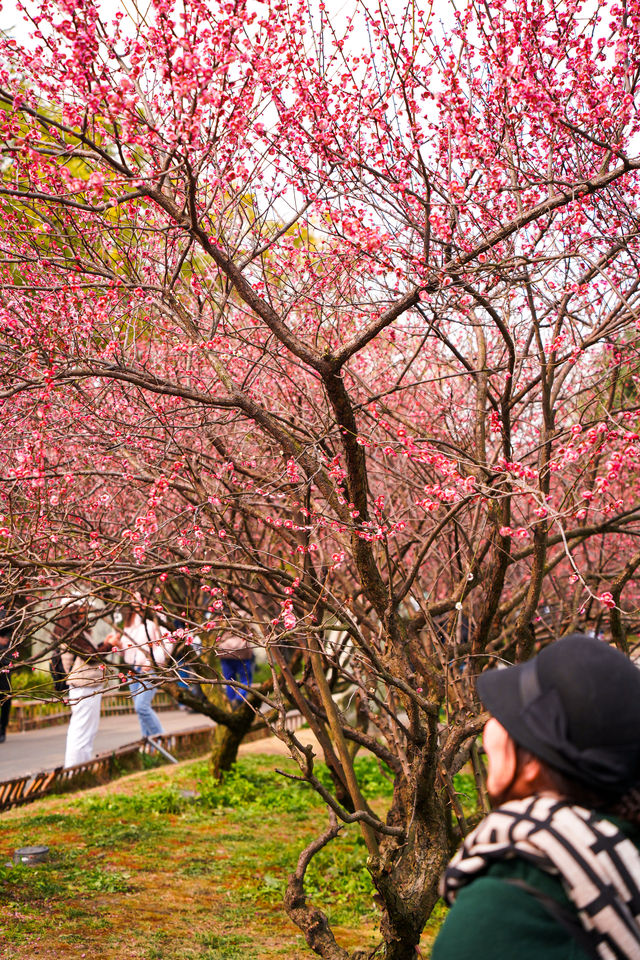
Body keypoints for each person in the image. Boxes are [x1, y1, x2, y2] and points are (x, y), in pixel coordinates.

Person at [433, 633, 640, 960]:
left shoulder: (505, 910)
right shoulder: (626, 850)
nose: (488, 733)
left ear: (532, 766)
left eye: (506, 718)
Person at [57, 603, 111, 768]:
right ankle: (74, 769)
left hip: (87, 685)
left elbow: (91, 652)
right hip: (84, 685)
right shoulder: (73, 633)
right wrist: (110, 645)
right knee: (82, 731)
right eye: (81, 609)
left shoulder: (80, 632)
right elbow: (91, 656)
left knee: (87, 730)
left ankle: (81, 766)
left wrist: (106, 643)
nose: (86, 613)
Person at [113, 606, 174, 740]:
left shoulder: (154, 617)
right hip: (133, 671)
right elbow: (128, 649)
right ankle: (149, 744)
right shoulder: (129, 621)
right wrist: (118, 646)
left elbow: (167, 642)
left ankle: (162, 739)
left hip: (149, 669)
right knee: (139, 710)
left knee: (142, 707)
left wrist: (152, 661)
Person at [216, 629, 255, 708]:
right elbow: (252, 632)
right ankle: (239, 699)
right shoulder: (244, 616)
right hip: (242, 651)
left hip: (225, 651)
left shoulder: (219, 617)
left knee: (229, 681)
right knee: (246, 679)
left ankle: (232, 702)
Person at [0, 607, 15, 743]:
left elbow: (12, 623)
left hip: (4, 666)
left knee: (5, 697)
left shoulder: (7, 610)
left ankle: (2, 728)